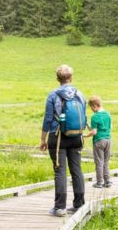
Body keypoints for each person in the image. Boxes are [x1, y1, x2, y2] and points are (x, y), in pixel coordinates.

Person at [39, 64, 87, 216]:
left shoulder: (53, 95)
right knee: (76, 170)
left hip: (58, 136)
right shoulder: (80, 94)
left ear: (57, 79)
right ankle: (79, 204)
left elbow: (48, 119)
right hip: (76, 137)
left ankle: (60, 208)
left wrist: (43, 139)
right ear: (71, 77)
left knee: (60, 171)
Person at [87, 96, 112, 188]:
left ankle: (99, 182)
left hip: (98, 141)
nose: (92, 110)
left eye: (91, 108)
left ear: (95, 106)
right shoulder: (108, 114)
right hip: (108, 140)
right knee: (106, 161)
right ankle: (107, 181)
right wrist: (87, 125)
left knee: (99, 162)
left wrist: (85, 136)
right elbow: (108, 127)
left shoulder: (95, 117)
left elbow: (94, 132)